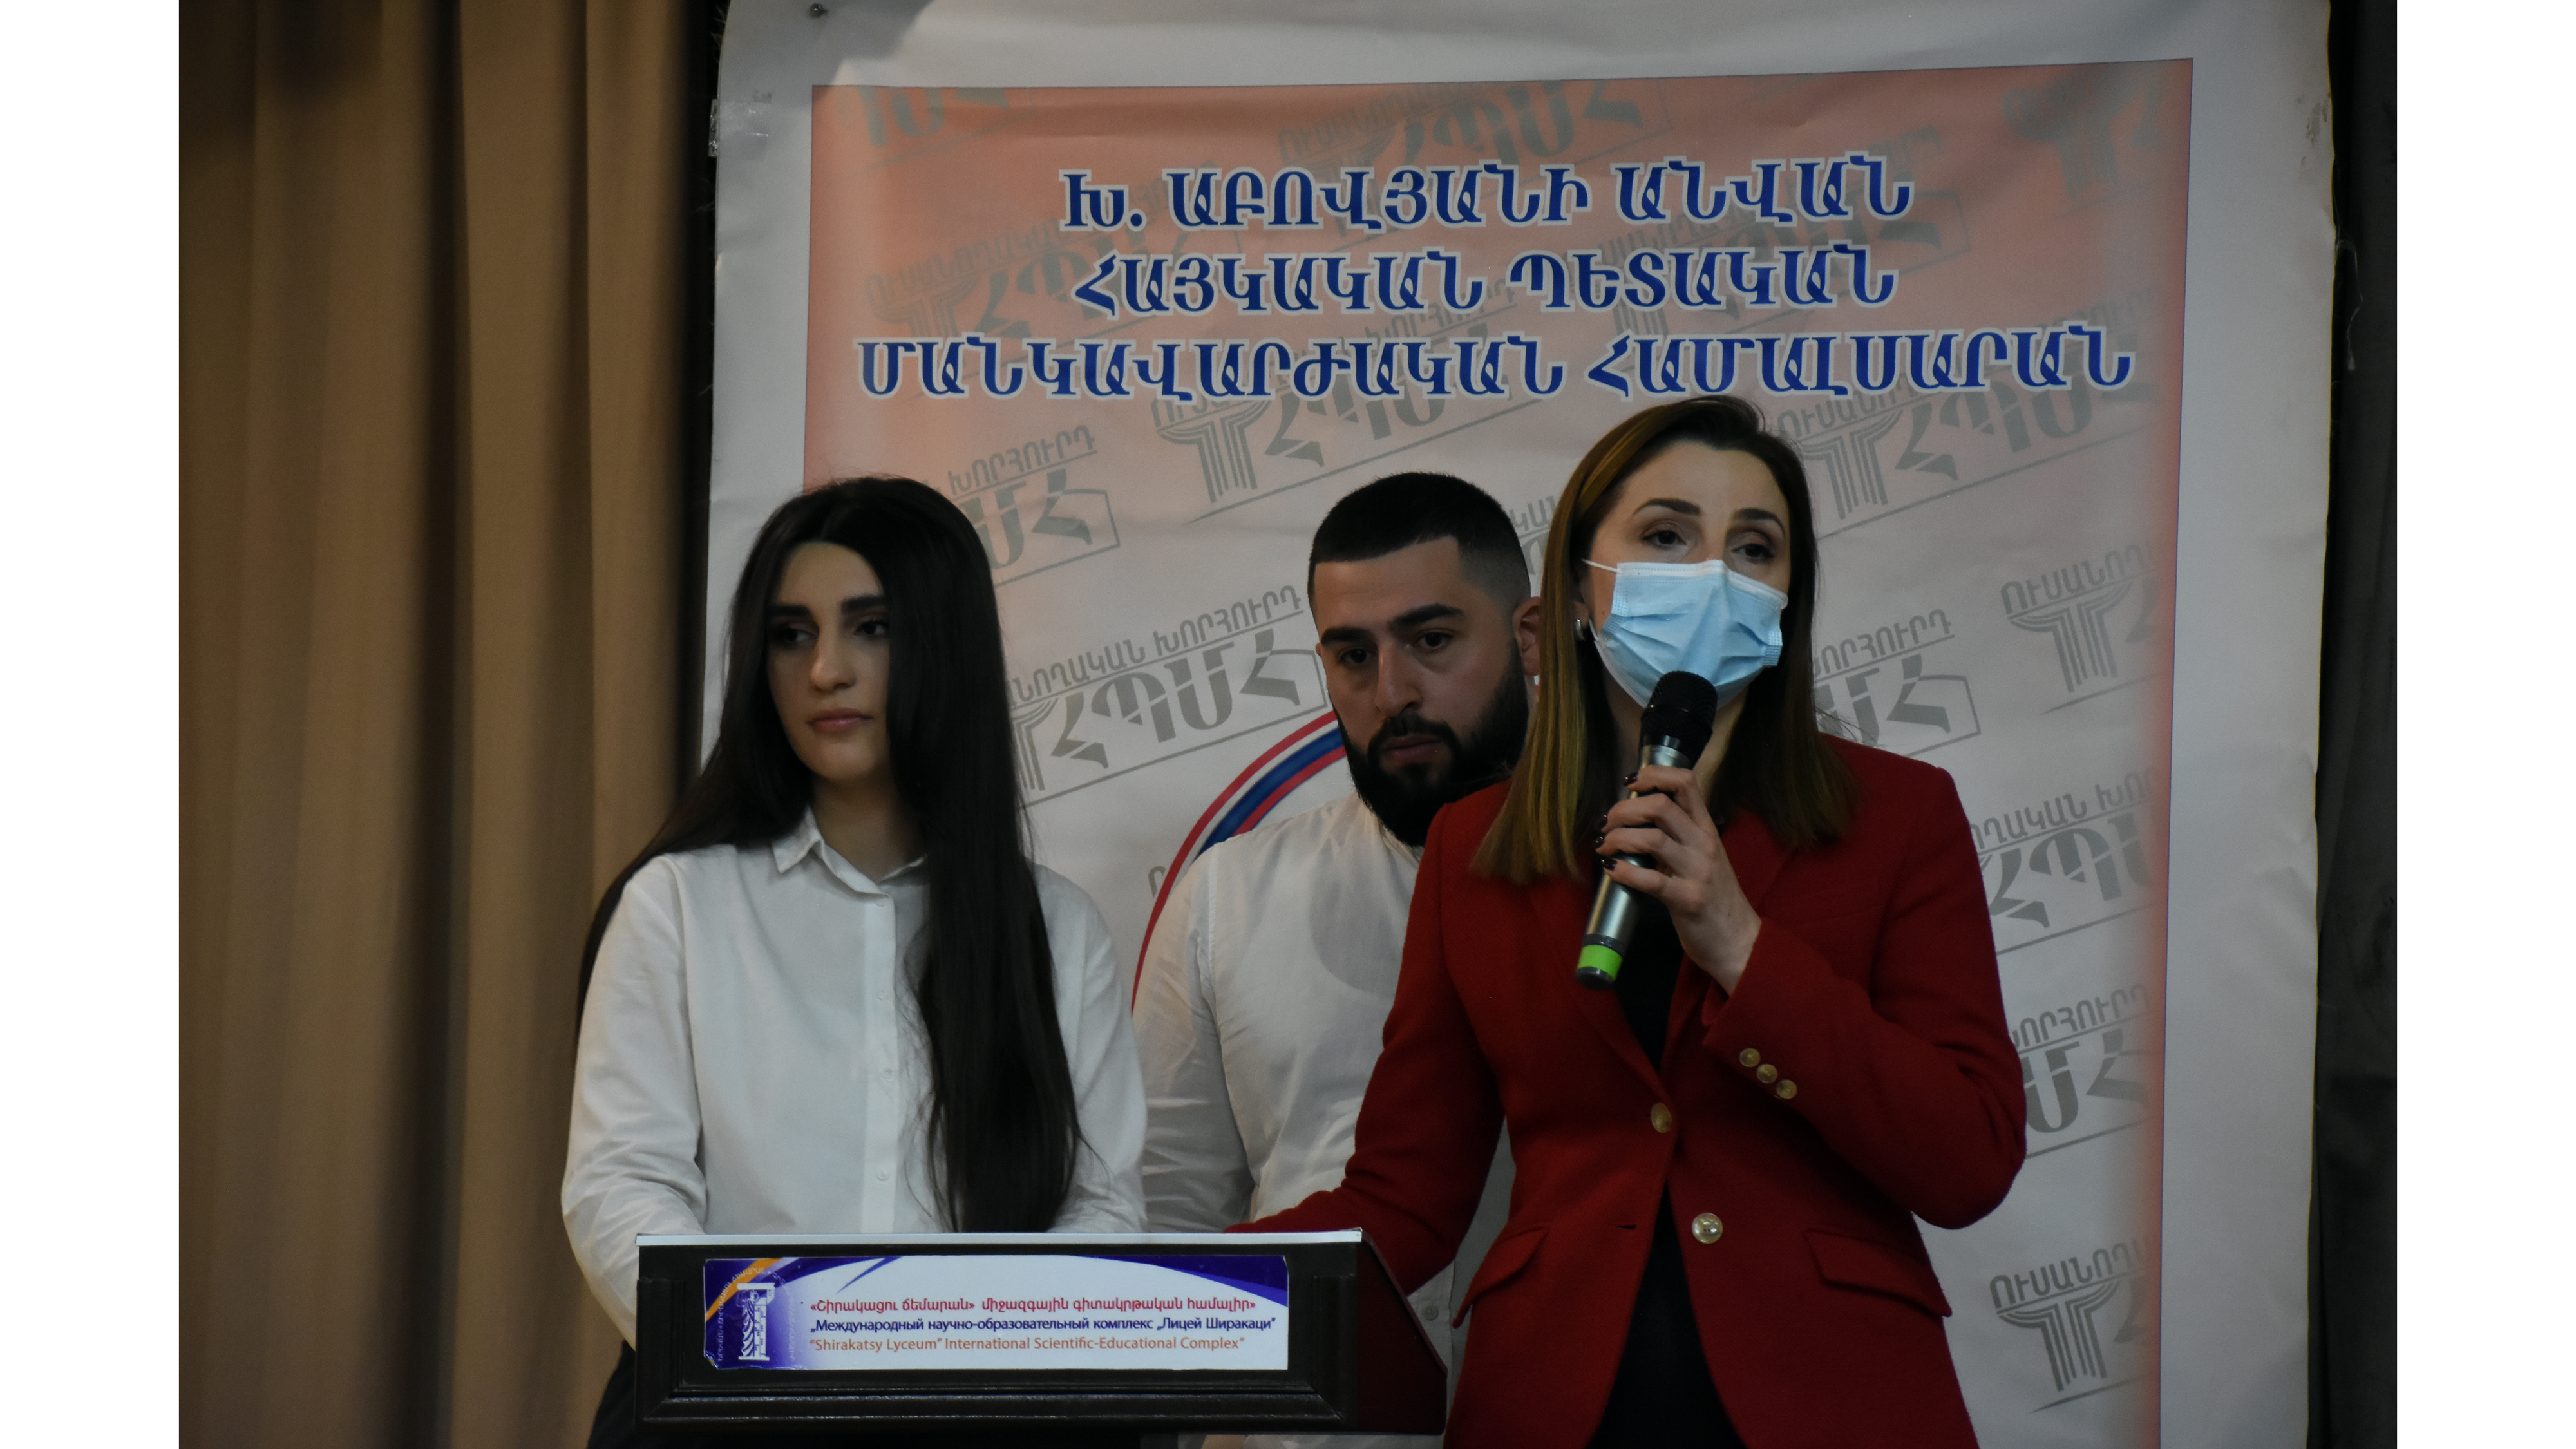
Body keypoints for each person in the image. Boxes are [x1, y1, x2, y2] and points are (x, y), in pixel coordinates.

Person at [1246, 399, 2025, 1448]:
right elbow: (1407, 1194)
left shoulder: (1899, 815)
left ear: (1787, 597)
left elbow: (1969, 1159)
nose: (1712, 575)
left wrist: (1743, 946)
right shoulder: (1475, 845)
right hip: (1555, 1402)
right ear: (1577, 588)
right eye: (1666, 536)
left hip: (1834, 1396)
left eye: (1754, 547)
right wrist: (1174, 1298)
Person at [563, 477, 1146, 1447]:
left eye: (871, 628)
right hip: (721, 1421)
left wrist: (969, 1377)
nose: (826, 670)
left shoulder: (1056, 929)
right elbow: (619, 1188)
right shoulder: (677, 906)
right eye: (791, 635)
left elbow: (1102, 1211)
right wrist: (762, 1361)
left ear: (945, 647)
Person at [1133, 472, 1535, 1448]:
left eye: (1431, 641)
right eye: (1353, 655)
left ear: (1528, 639)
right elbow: (1168, 1236)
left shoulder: (1639, 892)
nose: (1392, 692)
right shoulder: (1228, 897)